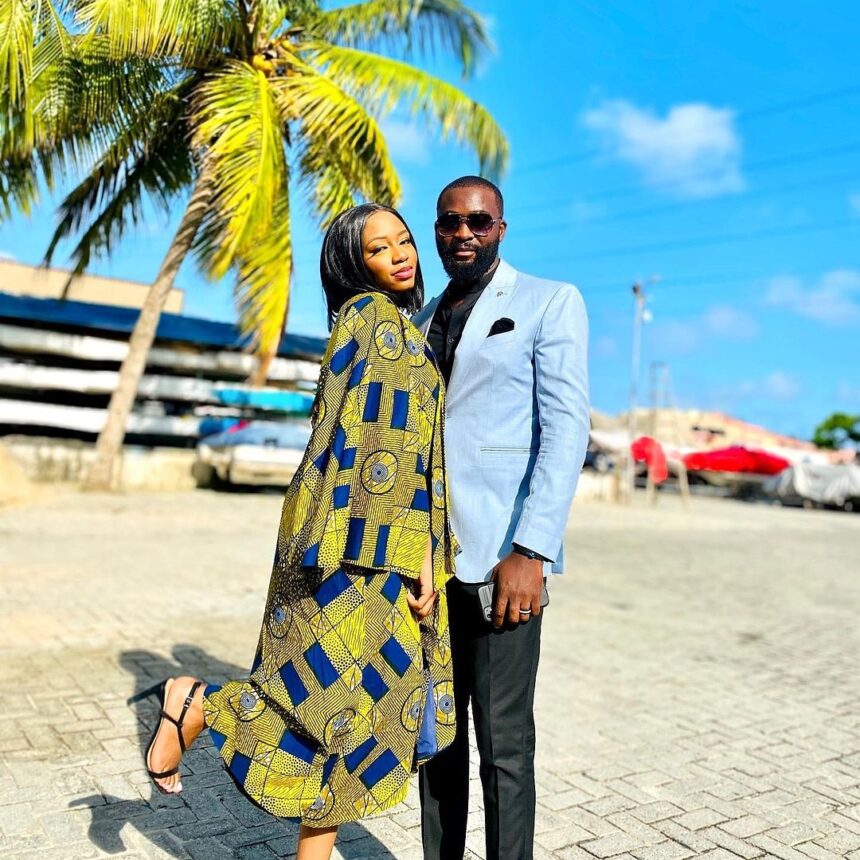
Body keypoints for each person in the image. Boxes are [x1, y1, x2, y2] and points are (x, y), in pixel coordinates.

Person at [129, 203, 460, 860]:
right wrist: (415, 558)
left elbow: (400, 453)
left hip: (362, 544)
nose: (399, 255)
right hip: (359, 555)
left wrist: (419, 553)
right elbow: (379, 455)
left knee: (353, 726)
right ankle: (198, 703)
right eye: (377, 249)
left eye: (403, 241)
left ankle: (199, 710)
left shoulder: (386, 326)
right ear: (352, 263)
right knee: (325, 708)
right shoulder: (375, 322)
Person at [413, 176, 590, 860]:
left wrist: (533, 549)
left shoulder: (549, 301)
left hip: (503, 559)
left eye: (478, 222)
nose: (463, 233)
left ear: (501, 229)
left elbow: (566, 430)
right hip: (428, 564)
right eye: (450, 222)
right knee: (437, 739)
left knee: (504, 745)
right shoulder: (420, 317)